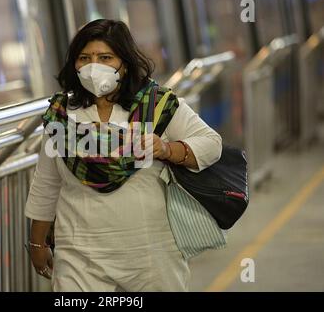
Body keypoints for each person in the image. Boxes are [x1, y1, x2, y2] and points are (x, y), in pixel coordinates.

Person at [25, 19, 222, 292]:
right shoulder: (62, 115)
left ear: (124, 63)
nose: (94, 66)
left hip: (150, 250)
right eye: (85, 58)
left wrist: (167, 149)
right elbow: (47, 183)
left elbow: (211, 143)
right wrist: (37, 243)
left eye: (105, 57)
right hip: (79, 254)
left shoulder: (156, 106)